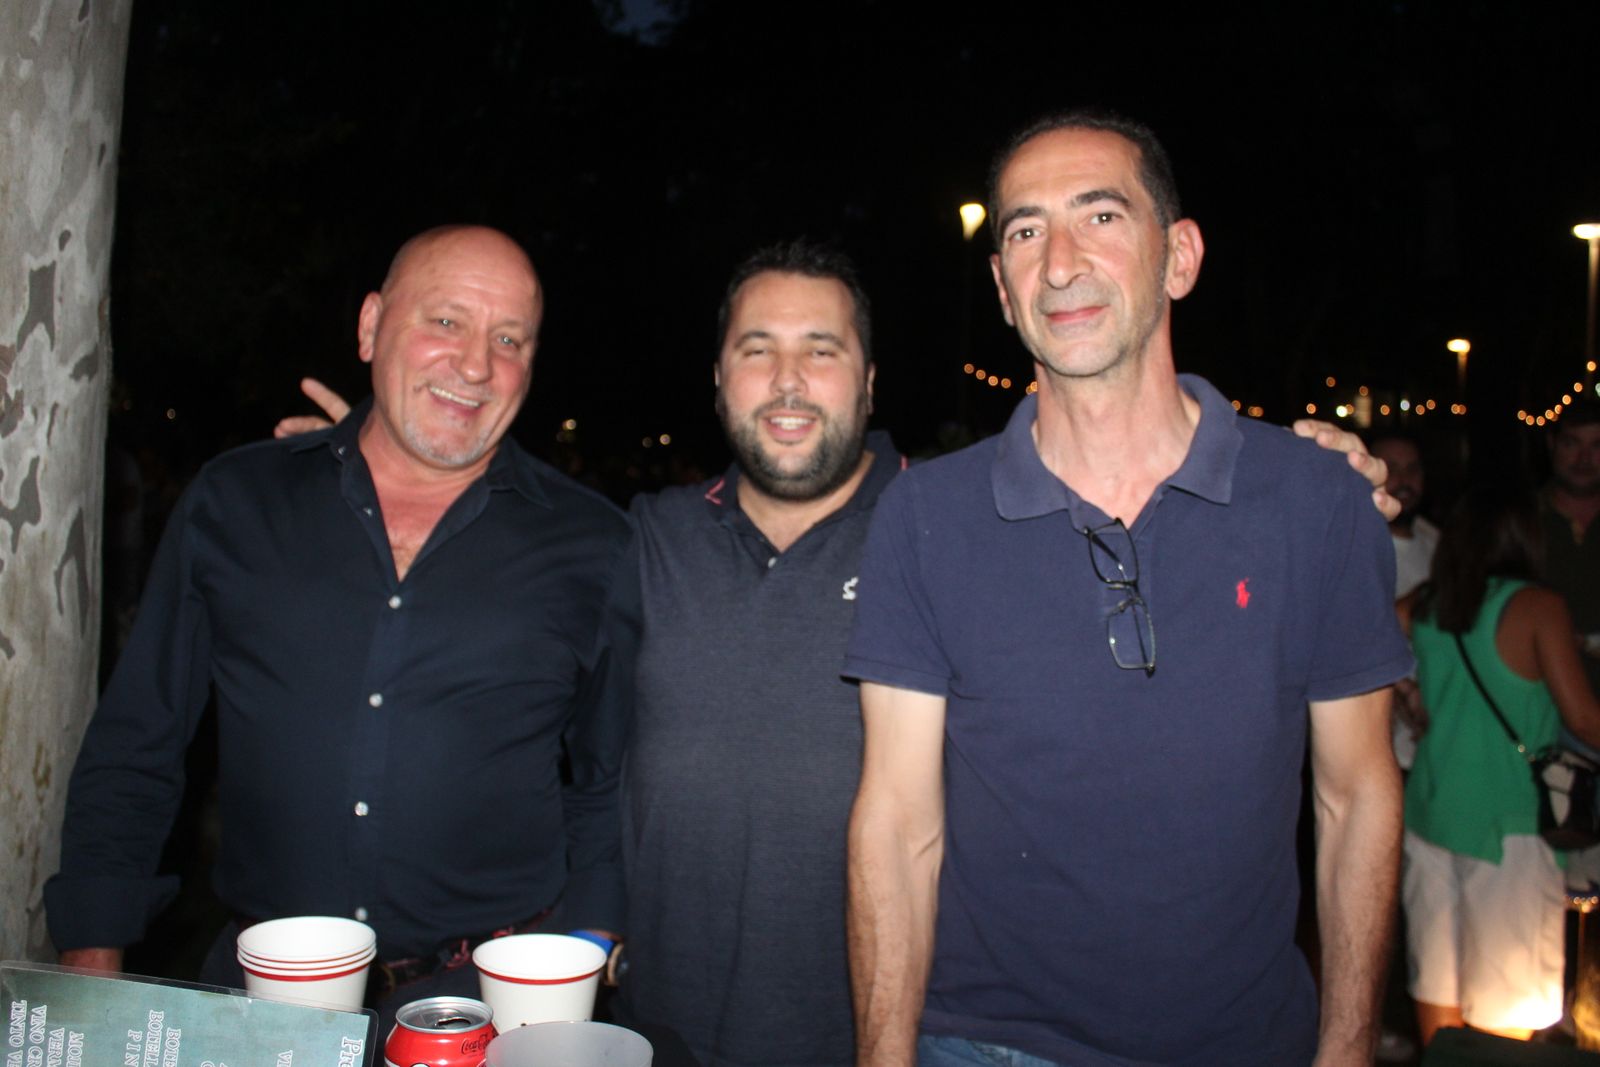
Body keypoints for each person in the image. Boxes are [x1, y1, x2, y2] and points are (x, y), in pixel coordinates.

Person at [843, 110, 1411, 1067]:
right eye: (1024, 231)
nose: (1059, 261)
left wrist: (1347, 1047)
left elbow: (1359, 798)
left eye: (1100, 217)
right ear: (1002, 287)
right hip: (985, 1045)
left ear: (1179, 257)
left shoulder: (1317, 500)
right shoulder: (924, 515)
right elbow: (897, 824)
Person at [46, 225, 631, 1023]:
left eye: (509, 338)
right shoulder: (237, 503)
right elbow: (137, 744)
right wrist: (91, 955)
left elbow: (608, 783)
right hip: (263, 1005)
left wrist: (586, 957)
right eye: (446, 321)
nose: (474, 364)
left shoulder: (593, 546)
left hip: (492, 1010)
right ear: (369, 327)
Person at [1401, 485, 1600, 1045]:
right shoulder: (1537, 607)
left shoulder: (1427, 602)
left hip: (1431, 814)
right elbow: (1584, 720)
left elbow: (1376, 635)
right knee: (1510, 999)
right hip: (1507, 824)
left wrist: (1409, 695)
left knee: (1436, 977)